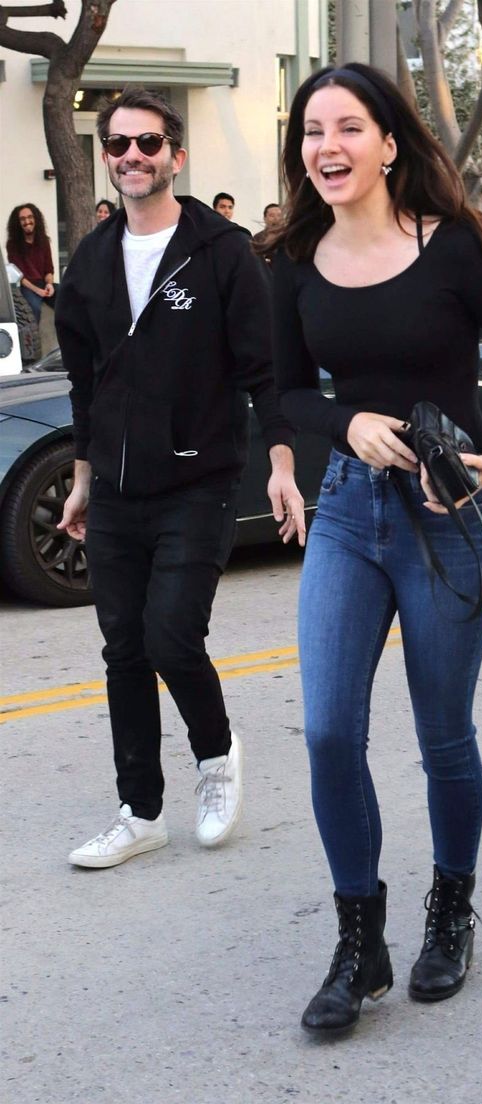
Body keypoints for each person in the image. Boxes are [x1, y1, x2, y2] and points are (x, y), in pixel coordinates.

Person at [268, 62, 482, 1036]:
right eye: (312, 130)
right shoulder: (294, 259)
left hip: (448, 516)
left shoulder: (458, 251)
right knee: (329, 732)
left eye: (348, 126)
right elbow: (283, 392)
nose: (328, 147)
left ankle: (449, 913)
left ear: (390, 142)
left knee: (442, 737)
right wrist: (343, 427)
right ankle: (361, 941)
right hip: (350, 512)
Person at [56, 86, 305, 870]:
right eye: (119, 144)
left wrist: (282, 467)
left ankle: (217, 752)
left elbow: (265, 372)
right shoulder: (92, 260)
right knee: (123, 648)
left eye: (148, 144)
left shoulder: (221, 250)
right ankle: (140, 813)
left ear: (175, 155)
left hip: (200, 479)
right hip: (119, 490)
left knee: (170, 635)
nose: (133, 156)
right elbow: (84, 382)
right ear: (107, 157)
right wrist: (82, 479)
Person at [5, 203, 56, 322]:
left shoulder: (44, 240)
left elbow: (49, 270)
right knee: (34, 308)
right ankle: (33, 339)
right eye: (22, 219)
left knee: (66, 299)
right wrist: (38, 291)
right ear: (18, 223)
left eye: (30, 217)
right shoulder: (12, 244)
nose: (27, 221)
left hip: (44, 284)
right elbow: (20, 277)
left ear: (35, 219)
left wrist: (49, 284)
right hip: (27, 286)